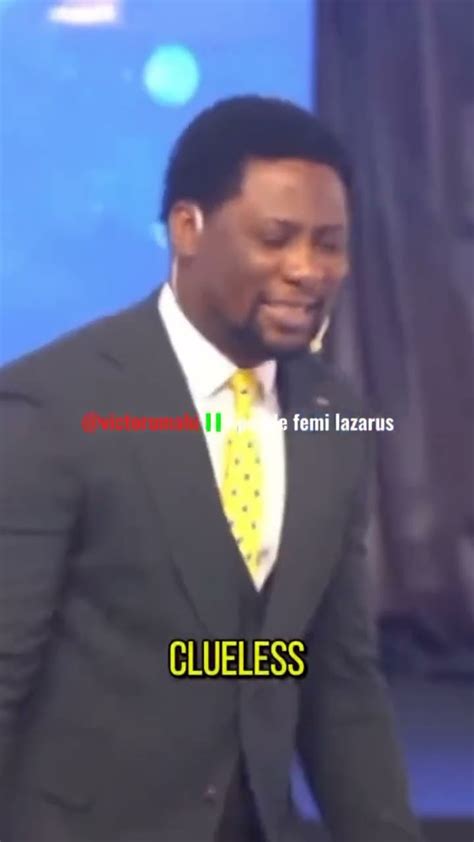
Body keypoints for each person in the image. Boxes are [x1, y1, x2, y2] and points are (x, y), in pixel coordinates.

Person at [0, 95, 422, 842]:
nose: (307, 270)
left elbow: (337, 677)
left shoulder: (335, 417)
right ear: (187, 227)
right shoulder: (54, 404)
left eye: (329, 244)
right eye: (276, 238)